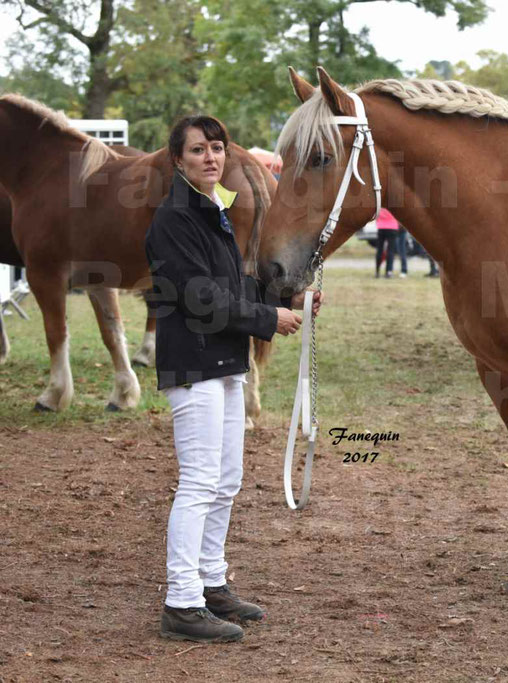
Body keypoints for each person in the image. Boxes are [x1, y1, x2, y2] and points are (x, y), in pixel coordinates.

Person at [145, 115, 321, 643]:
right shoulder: (173, 219)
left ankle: (210, 583)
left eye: (216, 148)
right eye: (198, 150)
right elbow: (200, 297)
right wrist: (270, 321)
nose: (211, 157)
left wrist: (285, 301)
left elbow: (233, 286)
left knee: (226, 481)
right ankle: (181, 601)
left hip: (223, 363)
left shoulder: (214, 212)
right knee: (199, 482)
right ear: (179, 159)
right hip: (194, 365)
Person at [375, 208, 400, 278]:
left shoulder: (381, 203)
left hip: (381, 227)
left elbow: (376, 214)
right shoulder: (395, 204)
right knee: (390, 251)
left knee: (379, 250)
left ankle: (377, 272)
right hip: (392, 227)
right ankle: (388, 272)